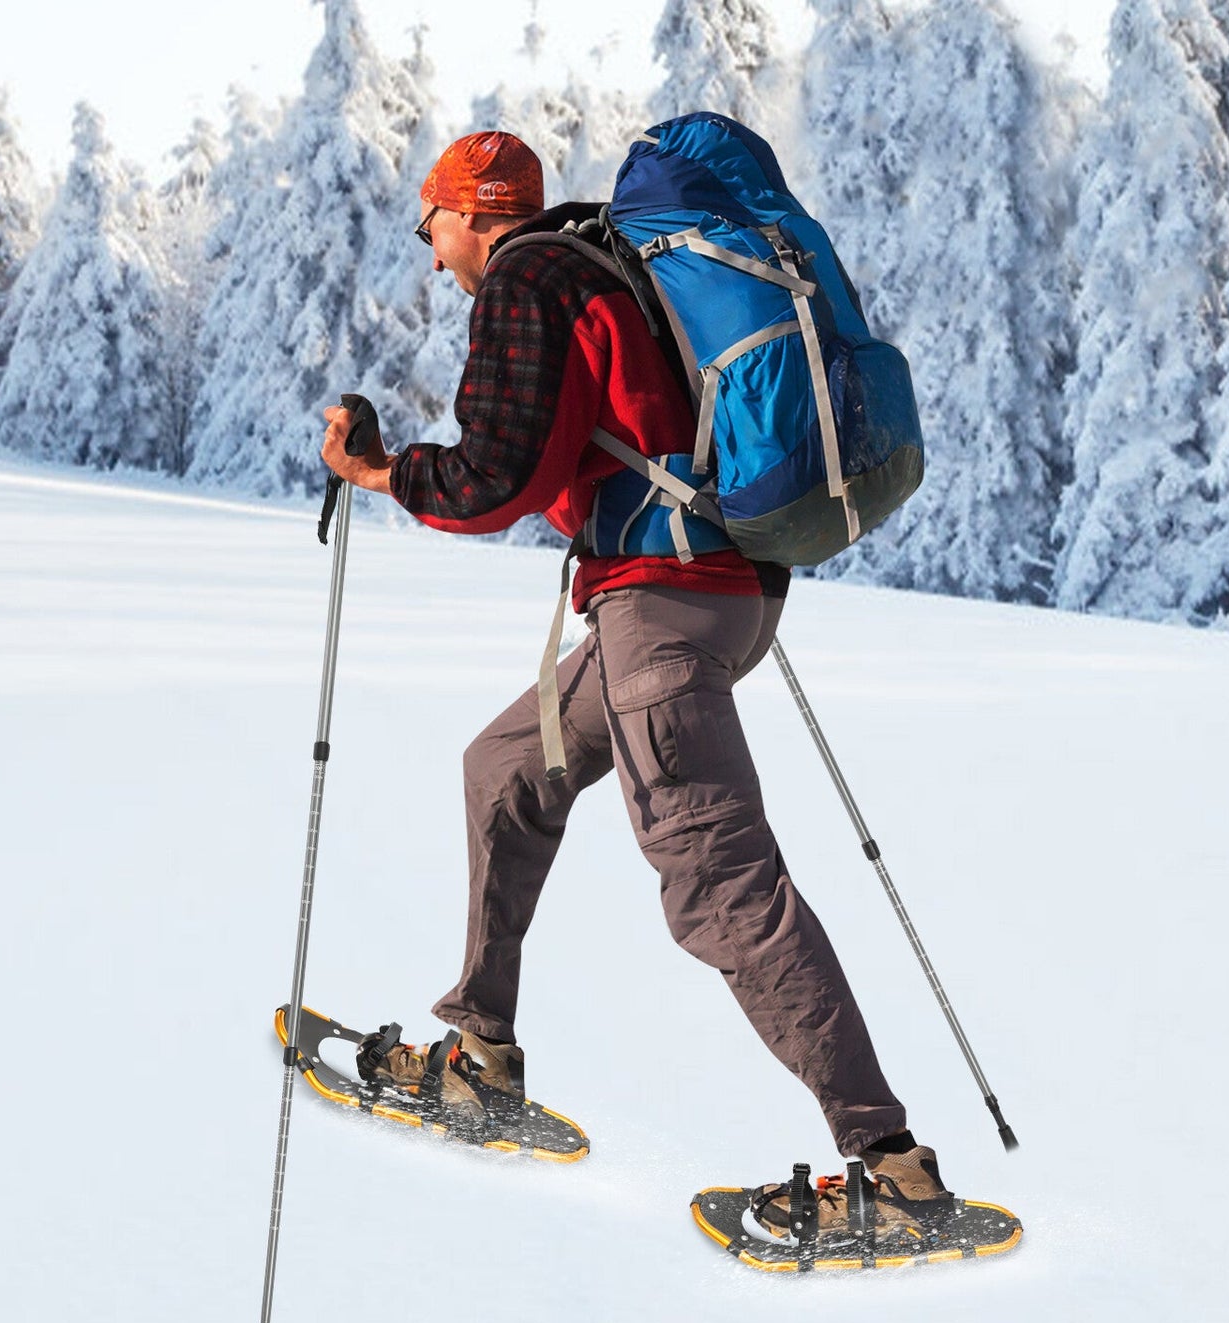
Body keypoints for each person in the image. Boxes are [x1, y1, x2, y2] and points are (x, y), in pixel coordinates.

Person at [320, 130, 951, 1236]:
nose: (431, 256)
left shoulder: (531, 278)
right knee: (507, 769)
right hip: (706, 599)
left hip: (665, 613)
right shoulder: (602, 262)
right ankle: (481, 1052)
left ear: (475, 212)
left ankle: (891, 1167)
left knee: (718, 887)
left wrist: (381, 472)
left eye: (433, 228)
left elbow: (497, 479)